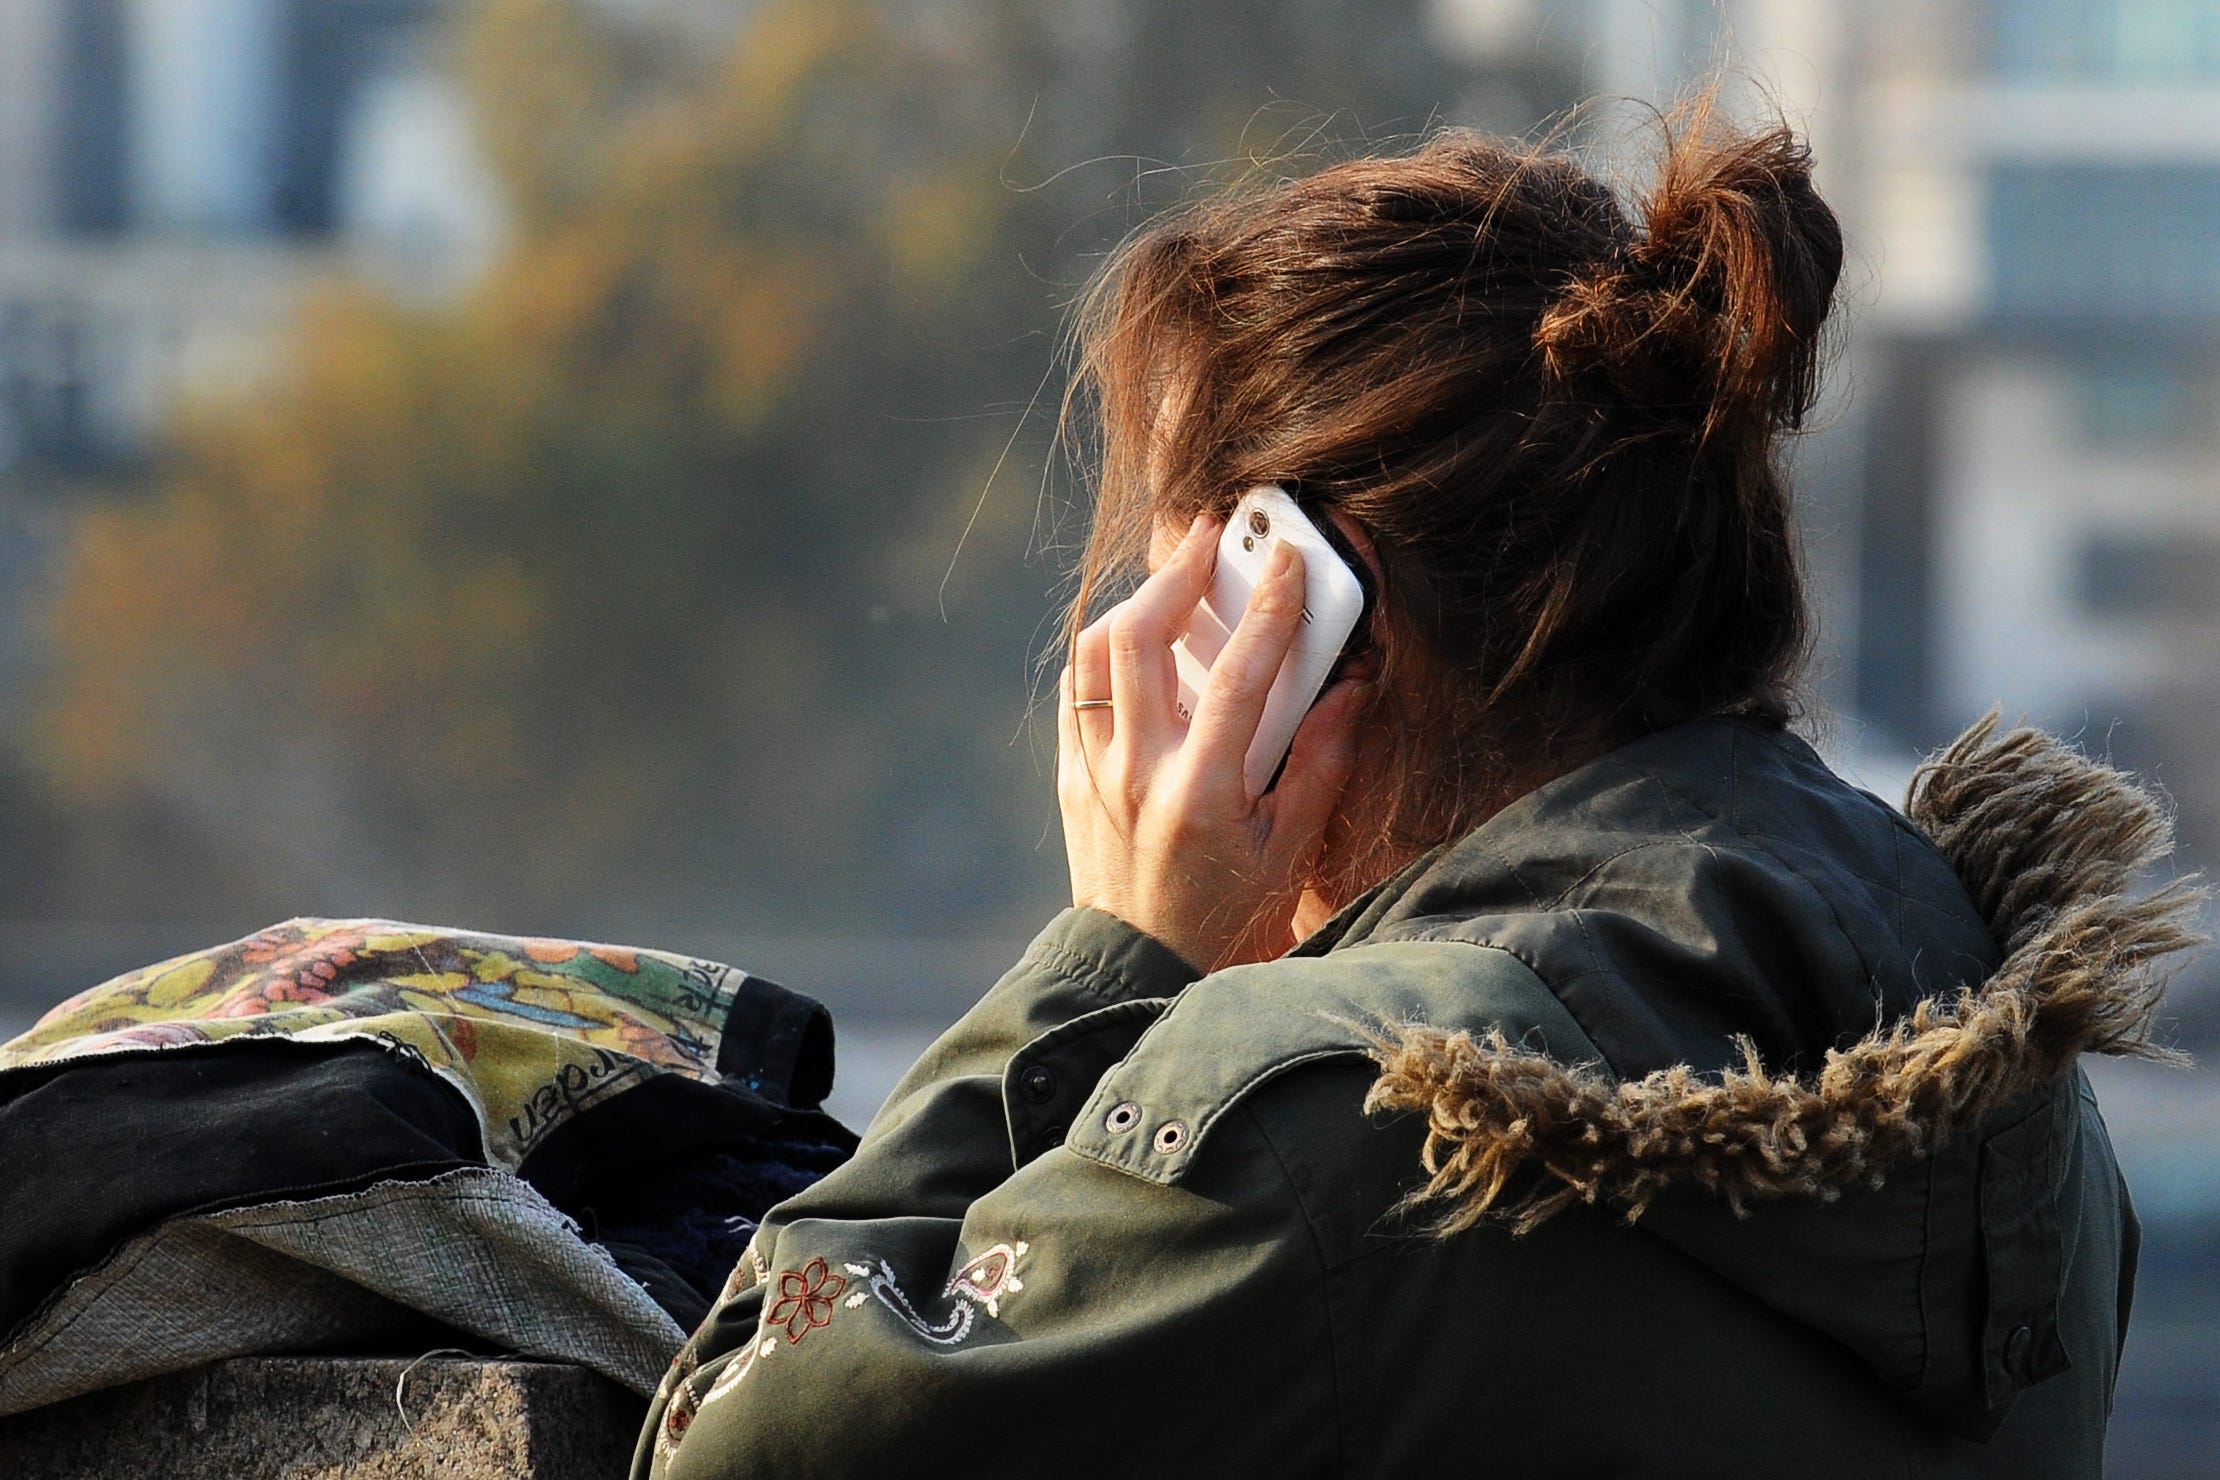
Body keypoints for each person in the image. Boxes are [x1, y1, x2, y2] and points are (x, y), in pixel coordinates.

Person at [633, 102, 2198, 1478]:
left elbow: (740, 1445)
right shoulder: (1998, 1050)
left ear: (1300, 628)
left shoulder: (1356, 1125)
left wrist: (1118, 958)